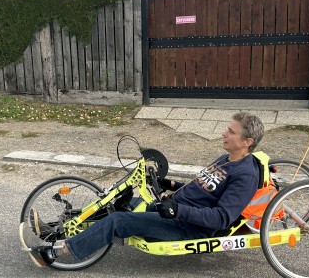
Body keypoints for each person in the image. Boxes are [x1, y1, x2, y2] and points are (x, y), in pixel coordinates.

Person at [19, 112, 264, 267]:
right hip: (174, 209)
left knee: (117, 221)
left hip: (188, 226)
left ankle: (55, 252)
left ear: (247, 142)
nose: (224, 133)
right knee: (118, 201)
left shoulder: (244, 174)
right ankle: (52, 230)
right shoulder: (226, 158)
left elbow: (221, 218)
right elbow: (200, 187)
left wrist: (178, 210)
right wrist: (170, 184)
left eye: (231, 131)